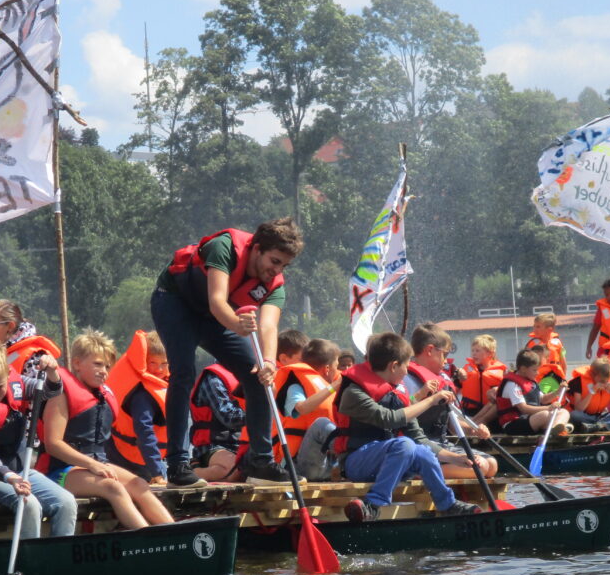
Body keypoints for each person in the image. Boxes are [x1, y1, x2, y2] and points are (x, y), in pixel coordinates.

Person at [152, 218, 303, 486]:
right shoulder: (225, 248)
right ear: (256, 249)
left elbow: (268, 325)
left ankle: (260, 463)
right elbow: (217, 301)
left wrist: (268, 362)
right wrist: (236, 324)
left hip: (216, 318)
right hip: (176, 303)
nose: (277, 270)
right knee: (183, 373)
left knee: (257, 375)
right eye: (275, 261)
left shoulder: (275, 285)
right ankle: (177, 465)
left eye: (284, 265)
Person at [333, 332, 481, 523]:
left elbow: (419, 437)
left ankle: (447, 504)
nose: (407, 371)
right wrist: (430, 401)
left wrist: (458, 458)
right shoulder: (354, 393)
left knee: (420, 451)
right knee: (404, 444)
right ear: (394, 366)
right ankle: (373, 504)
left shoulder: (395, 392)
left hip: (391, 460)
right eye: (406, 365)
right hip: (356, 462)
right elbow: (389, 419)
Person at [38, 330, 175, 529]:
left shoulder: (102, 396)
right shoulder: (60, 393)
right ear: (77, 363)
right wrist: (91, 465)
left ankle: (174, 533)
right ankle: (148, 539)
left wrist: (96, 465)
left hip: (95, 466)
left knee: (140, 485)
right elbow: (53, 444)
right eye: (97, 364)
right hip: (60, 471)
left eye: (107, 366)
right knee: (114, 488)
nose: (104, 371)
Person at [0, 341, 77, 539]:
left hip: (18, 472)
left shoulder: (18, 385)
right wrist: (12, 478)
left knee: (67, 502)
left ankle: (56, 557)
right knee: (28, 503)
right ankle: (29, 563)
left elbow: (52, 391)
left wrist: (52, 372)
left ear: (8, 375)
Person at [106, 330, 208, 488]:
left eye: (164, 363)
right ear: (144, 361)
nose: (159, 369)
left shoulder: (166, 384)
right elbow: (144, 432)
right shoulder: (142, 394)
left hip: (148, 458)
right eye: (152, 363)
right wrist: (157, 472)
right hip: (126, 454)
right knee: (153, 491)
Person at [405, 324, 499, 481]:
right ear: (429, 350)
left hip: (441, 443)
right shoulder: (407, 379)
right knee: (480, 467)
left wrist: (474, 430)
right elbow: (401, 414)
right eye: (445, 354)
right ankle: (416, 474)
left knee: (492, 464)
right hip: (418, 446)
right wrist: (422, 396)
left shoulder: (443, 380)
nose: (447, 360)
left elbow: (452, 424)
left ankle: (463, 498)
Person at [272, 337, 340, 482]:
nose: (338, 371)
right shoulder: (295, 386)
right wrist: (335, 386)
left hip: (328, 464)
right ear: (327, 369)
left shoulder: (327, 389)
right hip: (298, 467)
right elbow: (301, 408)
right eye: (337, 366)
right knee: (322, 424)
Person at [188, 362, 247, 482]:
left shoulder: (249, 375)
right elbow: (228, 418)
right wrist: (259, 415)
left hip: (243, 444)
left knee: (262, 468)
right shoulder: (213, 378)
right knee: (234, 470)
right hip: (213, 446)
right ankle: (192, 471)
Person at [496, 348, 572, 436]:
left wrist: (558, 391)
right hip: (513, 424)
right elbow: (523, 408)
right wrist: (548, 408)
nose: (537, 373)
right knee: (545, 414)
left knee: (564, 412)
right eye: (534, 370)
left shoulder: (531, 382)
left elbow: (543, 399)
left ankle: (554, 429)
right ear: (523, 369)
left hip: (530, 419)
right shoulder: (512, 384)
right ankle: (554, 429)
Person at [566, 357, 610, 432]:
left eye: (606, 380)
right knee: (574, 415)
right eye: (601, 380)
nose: (604, 383)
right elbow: (578, 409)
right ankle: (607, 425)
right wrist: (592, 391)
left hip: (600, 416)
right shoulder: (578, 382)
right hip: (585, 416)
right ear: (593, 375)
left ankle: (597, 426)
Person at [459, 334, 507, 426]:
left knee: (495, 403)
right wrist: (458, 376)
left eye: (477, 351)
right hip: (469, 411)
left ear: (490, 353)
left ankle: (473, 424)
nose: (474, 353)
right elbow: (456, 387)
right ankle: (472, 423)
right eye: (472, 350)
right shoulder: (467, 369)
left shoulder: (501, 372)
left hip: (491, 414)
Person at [526, 312, 567, 386]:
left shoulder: (557, 343)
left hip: (555, 377)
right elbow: (526, 364)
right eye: (534, 326)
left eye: (538, 327)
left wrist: (563, 379)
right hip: (538, 379)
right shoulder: (531, 344)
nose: (534, 329)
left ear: (549, 330)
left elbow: (563, 364)